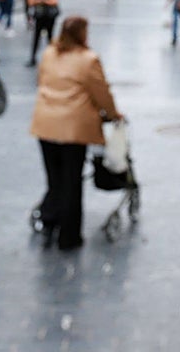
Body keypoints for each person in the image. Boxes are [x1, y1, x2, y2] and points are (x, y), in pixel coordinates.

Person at [30, 16, 122, 250]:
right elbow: (101, 93)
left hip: (45, 124)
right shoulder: (88, 59)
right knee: (72, 181)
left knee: (54, 178)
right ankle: (69, 236)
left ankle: (50, 218)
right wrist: (113, 114)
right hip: (73, 128)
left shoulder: (49, 53)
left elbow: (42, 80)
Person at [26, 0, 60, 66]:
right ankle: (33, 57)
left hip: (49, 16)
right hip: (39, 16)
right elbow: (30, 1)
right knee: (36, 37)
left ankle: (53, 57)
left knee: (50, 36)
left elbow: (54, 1)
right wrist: (38, 0)